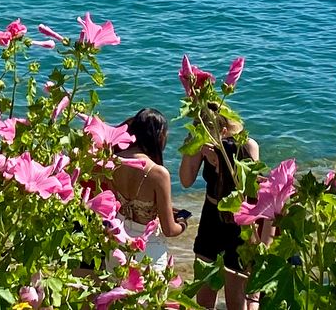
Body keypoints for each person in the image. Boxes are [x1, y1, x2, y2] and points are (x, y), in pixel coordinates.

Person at [180, 103, 262, 309]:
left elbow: (251, 192)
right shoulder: (204, 146)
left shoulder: (248, 145)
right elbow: (186, 180)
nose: (203, 135)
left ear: (223, 130)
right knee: (204, 294)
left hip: (238, 220)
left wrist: (221, 163)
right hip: (211, 216)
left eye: (206, 132)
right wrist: (193, 147)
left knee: (236, 298)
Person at [108, 108, 188, 266]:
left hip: (118, 243)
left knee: (114, 290)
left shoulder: (112, 161)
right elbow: (169, 230)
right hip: (149, 249)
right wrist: (183, 223)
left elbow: (113, 204)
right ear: (159, 135)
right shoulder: (158, 173)